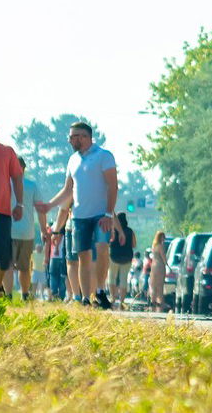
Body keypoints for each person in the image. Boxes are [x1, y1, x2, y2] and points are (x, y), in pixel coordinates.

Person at [42, 121, 120, 309]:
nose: (70, 140)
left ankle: (100, 290)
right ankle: (86, 298)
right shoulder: (73, 160)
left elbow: (113, 185)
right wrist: (49, 205)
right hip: (78, 216)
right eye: (70, 137)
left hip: (101, 214)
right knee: (83, 257)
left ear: (85, 137)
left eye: (74, 136)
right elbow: (68, 189)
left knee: (102, 250)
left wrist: (109, 213)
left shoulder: (104, 156)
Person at [0, 117, 24, 297]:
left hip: (1, 212)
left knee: (4, 258)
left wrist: (20, 204)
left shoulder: (6, 151)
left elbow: (17, 177)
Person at [9, 156, 44, 301]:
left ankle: (7, 295)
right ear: (24, 169)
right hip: (27, 232)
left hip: (9, 230)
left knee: (8, 265)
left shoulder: (6, 184)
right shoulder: (31, 185)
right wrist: (43, 230)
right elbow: (40, 209)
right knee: (24, 267)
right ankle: (24, 294)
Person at [108, 212, 136, 302]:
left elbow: (108, 242)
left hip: (114, 257)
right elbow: (134, 244)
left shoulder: (112, 230)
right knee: (123, 278)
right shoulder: (130, 231)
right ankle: (122, 300)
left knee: (112, 277)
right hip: (127, 257)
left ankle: (112, 297)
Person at [149, 230, 168, 311]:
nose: (164, 239)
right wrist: (167, 264)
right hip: (160, 266)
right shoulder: (160, 246)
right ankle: (161, 302)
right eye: (163, 237)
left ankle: (152, 301)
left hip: (153, 266)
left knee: (153, 285)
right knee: (160, 285)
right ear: (161, 237)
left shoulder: (154, 246)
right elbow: (163, 257)